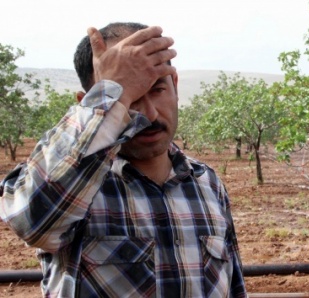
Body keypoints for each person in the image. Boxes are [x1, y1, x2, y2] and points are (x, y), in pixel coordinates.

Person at [0, 22, 247, 298]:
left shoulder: (207, 183)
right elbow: (30, 221)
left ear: (175, 85)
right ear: (89, 103)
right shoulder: (76, 188)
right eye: (129, 97)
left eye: (157, 90)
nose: (150, 114)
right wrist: (110, 93)